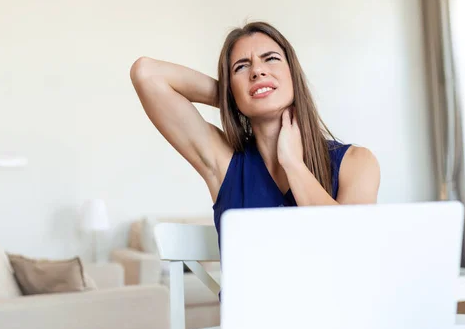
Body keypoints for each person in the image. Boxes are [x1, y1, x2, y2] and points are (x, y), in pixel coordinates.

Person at [130, 21, 381, 246]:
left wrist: (292, 163)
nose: (257, 71)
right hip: (245, 300)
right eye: (241, 67)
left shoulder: (357, 162)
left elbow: (349, 249)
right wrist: (233, 99)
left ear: (294, 75)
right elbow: (147, 73)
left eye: (270, 59)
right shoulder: (225, 163)